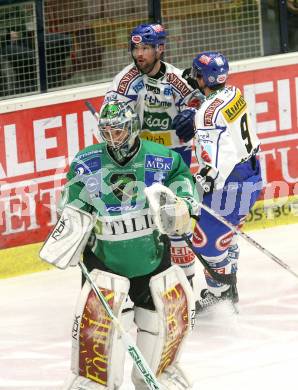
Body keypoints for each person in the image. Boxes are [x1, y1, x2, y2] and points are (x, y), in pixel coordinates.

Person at [40, 101, 199, 389]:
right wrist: (72, 226)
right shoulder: (87, 162)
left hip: (152, 259)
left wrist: (182, 205)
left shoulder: (161, 158)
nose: (113, 138)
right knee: (103, 334)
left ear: (134, 128)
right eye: (107, 132)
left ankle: (160, 377)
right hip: (104, 262)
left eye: (119, 131)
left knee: (160, 326)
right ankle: (94, 384)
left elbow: (183, 182)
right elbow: (70, 201)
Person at [100, 22, 204, 284]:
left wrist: (192, 117)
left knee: (177, 221)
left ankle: (187, 283)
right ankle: (146, 281)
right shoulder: (124, 82)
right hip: (140, 160)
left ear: (160, 49)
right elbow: (110, 118)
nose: (139, 54)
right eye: (135, 48)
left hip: (173, 160)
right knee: (142, 222)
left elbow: (202, 110)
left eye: (145, 48)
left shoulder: (178, 80)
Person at [173, 51, 263, 311]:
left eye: (197, 74)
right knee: (228, 235)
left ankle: (221, 293)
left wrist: (196, 185)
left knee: (205, 242)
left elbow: (213, 164)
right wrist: (199, 111)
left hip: (231, 182)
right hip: (252, 172)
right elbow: (219, 114)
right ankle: (230, 286)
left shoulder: (205, 117)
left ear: (204, 77)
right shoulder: (234, 93)